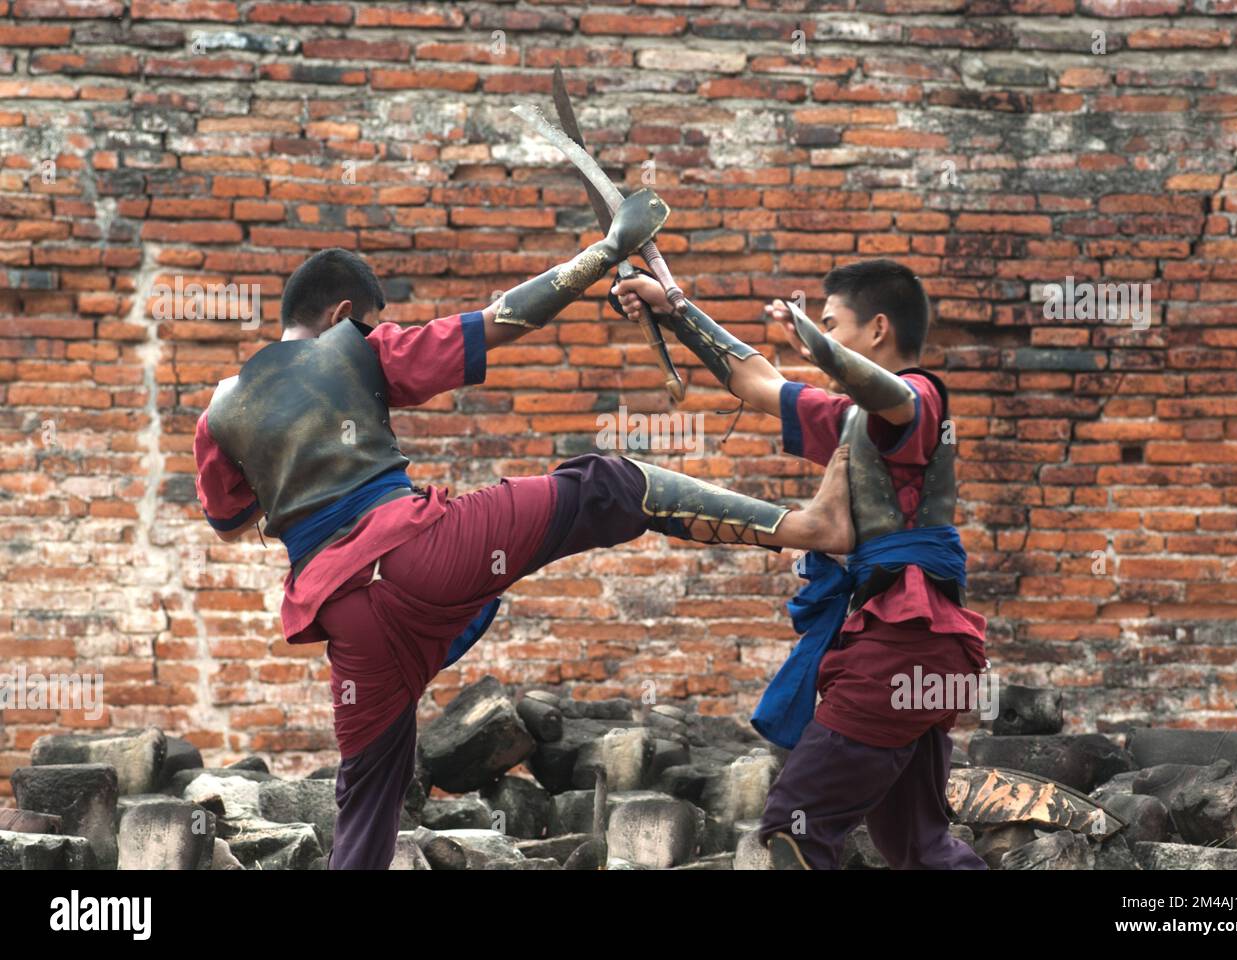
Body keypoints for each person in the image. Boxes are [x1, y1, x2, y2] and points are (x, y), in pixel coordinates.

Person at [192, 188, 855, 868]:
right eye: (368, 323)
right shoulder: (355, 348)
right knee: (609, 485)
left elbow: (230, 521)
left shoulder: (218, 415)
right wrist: (605, 251)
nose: (368, 333)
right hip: (425, 552)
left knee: (367, 794)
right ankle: (809, 527)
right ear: (341, 316)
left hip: (344, 613)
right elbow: (503, 320)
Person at [613, 259, 989, 869]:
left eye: (831, 324)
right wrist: (673, 308)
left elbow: (888, 394)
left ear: (878, 330)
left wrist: (820, 350)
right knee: (918, 847)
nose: (822, 336)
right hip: (922, 649)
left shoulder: (921, 397)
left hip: (904, 639)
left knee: (797, 823)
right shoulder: (852, 420)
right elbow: (756, 382)